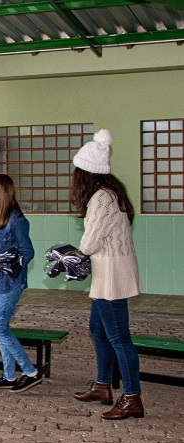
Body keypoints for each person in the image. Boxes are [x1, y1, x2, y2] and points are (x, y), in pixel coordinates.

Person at [70, 129, 144, 420]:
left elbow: (90, 243)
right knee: (99, 329)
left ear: (86, 173)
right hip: (109, 274)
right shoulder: (110, 193)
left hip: (111, 277)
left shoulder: (101, 198)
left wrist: (70, 254)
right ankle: (103, 385)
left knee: (119, 337)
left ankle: (132, 397)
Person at [0, 174, 41, 393]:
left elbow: (27, 252)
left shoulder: (16, 219)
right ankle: (9, 376)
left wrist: (4, 264)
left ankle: (30, 371)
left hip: (12, 281)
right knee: (2, 328)